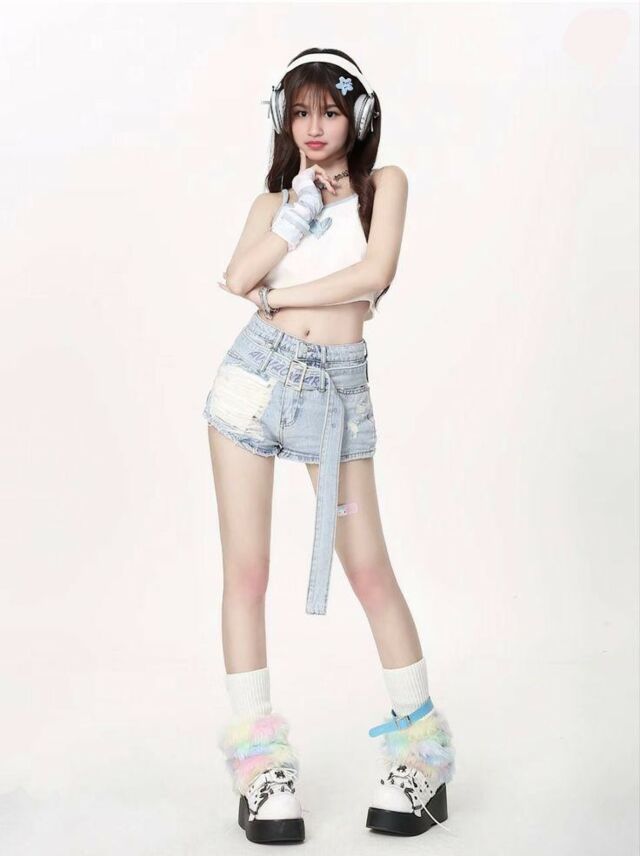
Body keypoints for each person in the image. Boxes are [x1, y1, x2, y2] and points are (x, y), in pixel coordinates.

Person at [202, 48, 456, 843]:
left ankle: (422, 757)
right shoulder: (273, 201)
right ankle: (260, 769)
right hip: (254, 379)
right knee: (247, 574)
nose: (314, 128)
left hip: (335, 390)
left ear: (359, 117)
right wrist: (293, 216)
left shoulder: (385, 188)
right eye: (301, 112)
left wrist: (282, 294)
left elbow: (373, 274)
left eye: (330, 111)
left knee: (369, 568)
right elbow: (235, 278)